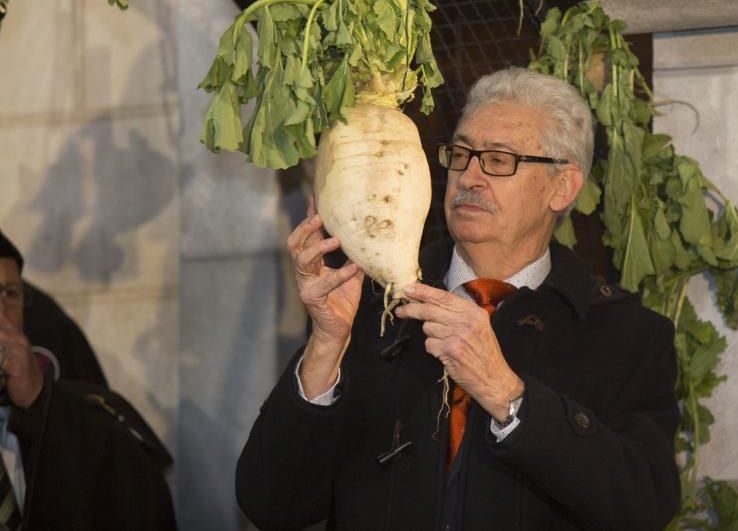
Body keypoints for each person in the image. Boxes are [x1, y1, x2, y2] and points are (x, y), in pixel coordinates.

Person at [237, 67, 681, 530]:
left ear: (562, 187)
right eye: (461, 153)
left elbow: (643, 506)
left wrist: (507, 395)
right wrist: (326, 346)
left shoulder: (627, 334)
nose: (469, 176)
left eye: (499, 160)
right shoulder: (370, 307)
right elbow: (272, 504)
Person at [0, 230, 176, 530]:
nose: (1, 316)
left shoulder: (54, 352)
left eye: (10, 294)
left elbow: (137, 496)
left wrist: (39, 403)